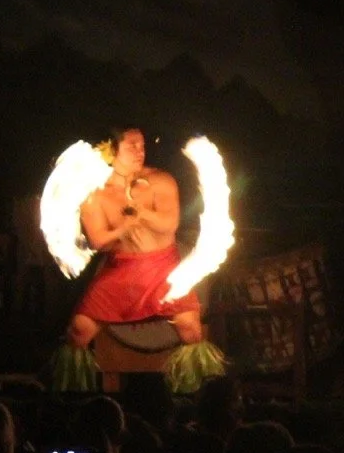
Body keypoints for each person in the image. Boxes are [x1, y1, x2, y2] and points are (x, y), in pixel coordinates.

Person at [49, 127, 222, 392]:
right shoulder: (94, 193)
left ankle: (197, 393)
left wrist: (141, 213)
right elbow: (98, 241)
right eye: (132, 146)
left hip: (162, 268)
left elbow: (169, 225)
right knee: (78, 330)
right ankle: (70, 395)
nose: (140, 151)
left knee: (190, 327)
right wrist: (123, 226)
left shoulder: (161, 180)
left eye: (142, 145)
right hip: (120, 270)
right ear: (111, 151)